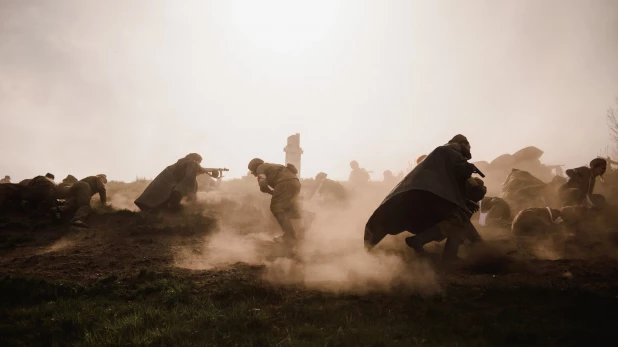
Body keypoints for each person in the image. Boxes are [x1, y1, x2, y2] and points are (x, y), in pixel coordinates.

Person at [364, 134, 485, 261]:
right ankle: (423, 242)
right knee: (457, 219)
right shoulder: (449, 150)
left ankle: (448, 252)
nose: (469, 149)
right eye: (468, 146)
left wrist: (465, 201)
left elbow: (454, 187)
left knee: (458, 218)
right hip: (430, 193)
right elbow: (462, 173)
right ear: (463, 144)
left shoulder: (440, 159)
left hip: (425, 193)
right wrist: (469, 168)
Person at [134, 153, 217, 212]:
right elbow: (192, 169)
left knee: (159, 200)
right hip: (168, 184)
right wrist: (204, 170)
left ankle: (160, 211)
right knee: (164, 198)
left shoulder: (184, 162)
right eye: (199, 162)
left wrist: (204, 170)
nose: (199, 164)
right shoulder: (190, 162)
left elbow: (193, 170)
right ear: (196, 159)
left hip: (167, 184)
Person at [248, 158, 302, 245]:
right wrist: (275, 192)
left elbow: (263, 186)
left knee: (275, 207)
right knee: (290, 208)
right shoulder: (275, 166)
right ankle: (306, 221)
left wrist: (272, 192)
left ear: (255, 166)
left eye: (252, 170)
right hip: (296, 183)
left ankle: (289, 235)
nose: (253, 173)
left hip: (284, 183)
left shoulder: (260, 168)